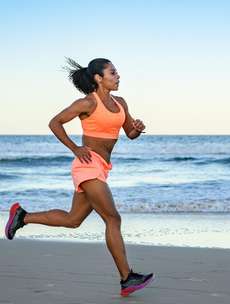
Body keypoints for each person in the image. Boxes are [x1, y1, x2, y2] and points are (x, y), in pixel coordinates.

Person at [5, 57, 154, 297]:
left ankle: (23, 217)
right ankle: (127, 278)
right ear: (98, 78)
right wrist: (75, 148)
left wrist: (137, 127)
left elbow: (130, 133)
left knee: (73, 220)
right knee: (113, 219)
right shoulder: (87, 103)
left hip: (102, 166)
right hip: (87, 165)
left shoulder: (121, 103)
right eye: (113, 73)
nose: (118, 76)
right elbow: (55, 123)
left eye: (117, 72)